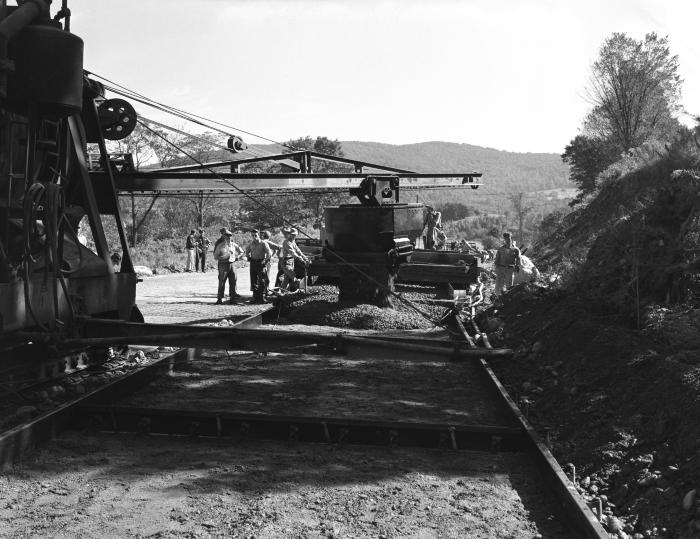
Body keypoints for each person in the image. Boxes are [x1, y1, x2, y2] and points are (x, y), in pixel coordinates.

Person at [213, 227, 243, 304]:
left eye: (229, 237)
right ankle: (219, 299)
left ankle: (232, 299)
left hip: (232, 264)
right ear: (224, 237)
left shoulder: (233, 245)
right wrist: (222, 257)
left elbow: (241, 251)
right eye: (227, 237)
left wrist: (237, 257)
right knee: (221, 282)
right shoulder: (220, 245)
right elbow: (215, 256)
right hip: (223, 264)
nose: (228, 238)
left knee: (233, 281)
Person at [245, 229, 272, 303]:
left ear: (259, 235)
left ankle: (262, 297)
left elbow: (269, 253)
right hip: (253, 263)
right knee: (253, 280)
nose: (254, 237)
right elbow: (247, 251)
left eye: (255, 235)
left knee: (262, 280)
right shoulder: (251, 244)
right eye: (253, 235)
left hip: (261, 262)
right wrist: (248, 257)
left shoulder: (263, 243)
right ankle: (255, 297)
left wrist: (265, 261)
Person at [493, 232, 521, 296]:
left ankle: (508, 300)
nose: (507, 240)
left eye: (508, 238)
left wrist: (517, 266)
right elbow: (497, 259)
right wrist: (496, 268)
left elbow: (518, 258)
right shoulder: (500, 249)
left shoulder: (515, 249)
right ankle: (498, 299)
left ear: (511, 239)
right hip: (501, 269)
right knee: (498, 286)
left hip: (510, 270)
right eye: (505, 239)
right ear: (504, 240)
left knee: (509, 287)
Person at [260, 230, 281, 298]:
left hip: (260, 260)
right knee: (266, 276)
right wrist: (274, 256)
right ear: (269, 236)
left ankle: (262, 291)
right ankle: (266, 291)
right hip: (266, 261)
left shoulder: (260, 242)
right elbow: (278, 247)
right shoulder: (268, 242)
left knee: (261, 276)